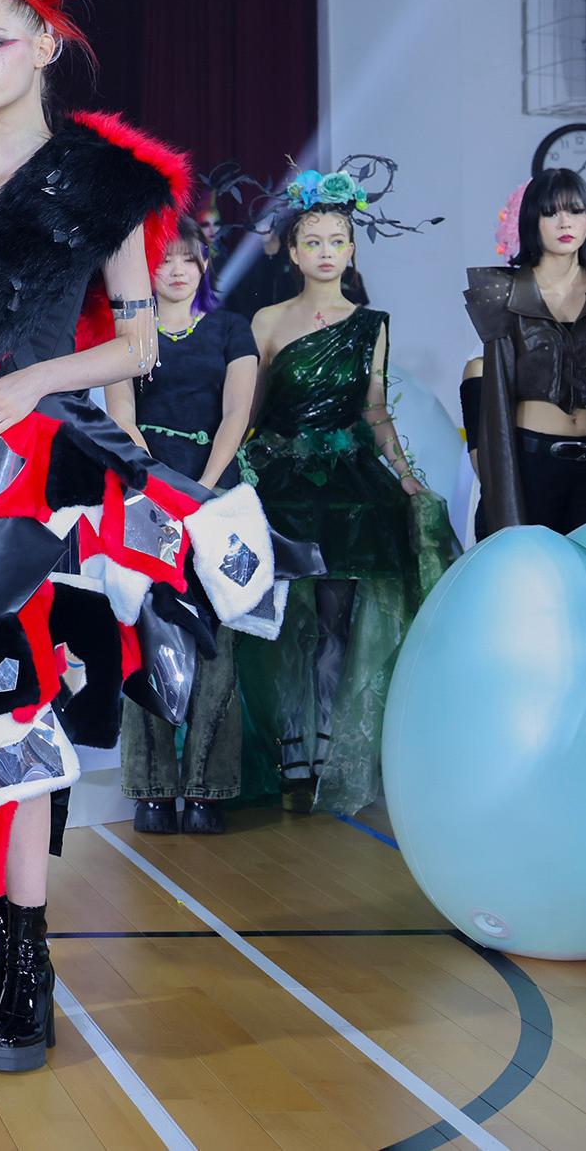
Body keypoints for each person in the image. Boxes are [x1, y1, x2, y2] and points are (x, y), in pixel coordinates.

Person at [0, 0, 284, 1074]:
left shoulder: (102, 186)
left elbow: (137, 346)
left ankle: (25, 958)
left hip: (45, 483)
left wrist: (34, 378)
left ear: (45, 44)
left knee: (22, 721)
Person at [237, 166, 457, 815]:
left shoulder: (371, 324)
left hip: (350, 488)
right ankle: (289, 752)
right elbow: (249, 412)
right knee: (281, 621)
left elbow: (374, 408)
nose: (326, 251)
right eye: (313, 241)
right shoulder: (266, 320)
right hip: (280, 483)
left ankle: (327, 752)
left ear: (352, 250)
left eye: (337, 241)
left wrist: (405, 472)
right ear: (293, 250)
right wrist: (227, 472)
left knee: (336, 622)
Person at [107, 216, 258, 835]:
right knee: (147, 632)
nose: (175, 269)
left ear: (203, 265)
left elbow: (237, 413)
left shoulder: (231, 329)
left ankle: (207, 791)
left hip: (218, 499)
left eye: (187, 258)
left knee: (217, 640)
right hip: (145, 496)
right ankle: (151, 789)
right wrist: (158, 488)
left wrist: (204, 489)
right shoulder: (126, 334)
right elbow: (121, 416)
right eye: (162, 258)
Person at [464, 168, 586, 534]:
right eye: (551, 212)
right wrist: (489, 473)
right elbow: (482, 376)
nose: (565, 222)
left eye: (576, 210)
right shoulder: (502, 292)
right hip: (532, 465)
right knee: (530, 567)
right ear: (533, 219)